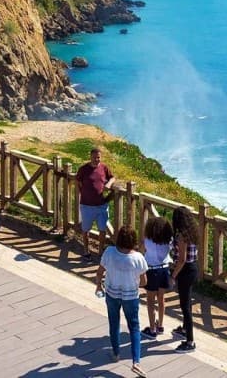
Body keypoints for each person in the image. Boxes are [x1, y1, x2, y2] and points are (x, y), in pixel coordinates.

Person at [95, 225, 148, 376]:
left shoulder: (110, 252)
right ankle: (136, 362)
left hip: (112, 294)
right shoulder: (138, 258)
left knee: (114, 323)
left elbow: (99, 272)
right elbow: (144, 282)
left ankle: (116, 353)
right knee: (134, 327)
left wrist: (99, 286)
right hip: (130, 296)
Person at [76, 146, 115, 260]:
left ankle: (100, 251)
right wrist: (81, 193)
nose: (96, 159)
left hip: (101, 206)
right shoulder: (83, 169)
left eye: (98, 157)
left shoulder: (104, 167)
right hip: (86, 206)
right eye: (94, 157)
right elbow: (77, 181)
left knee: (102, 230)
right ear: (90, 157)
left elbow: (112, 177)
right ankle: (86, 250)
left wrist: (109, 184)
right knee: (85, 230)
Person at [170, 207, 200, 353]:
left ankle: (190, 341)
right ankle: (183, 329)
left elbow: (181, 260)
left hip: (185, 270)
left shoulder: (182, 236)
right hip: (193, 267)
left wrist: (173, 275)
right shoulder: (192, 232)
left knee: (185, 306)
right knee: (186, 301)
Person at [141, 215, 174, 338]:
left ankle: (152, 328)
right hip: (165, 270)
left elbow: (142, 248)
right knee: (161, 299)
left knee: (150, 301)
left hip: (152, 270)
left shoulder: (148, 240)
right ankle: (160, 325)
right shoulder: (168, 241)